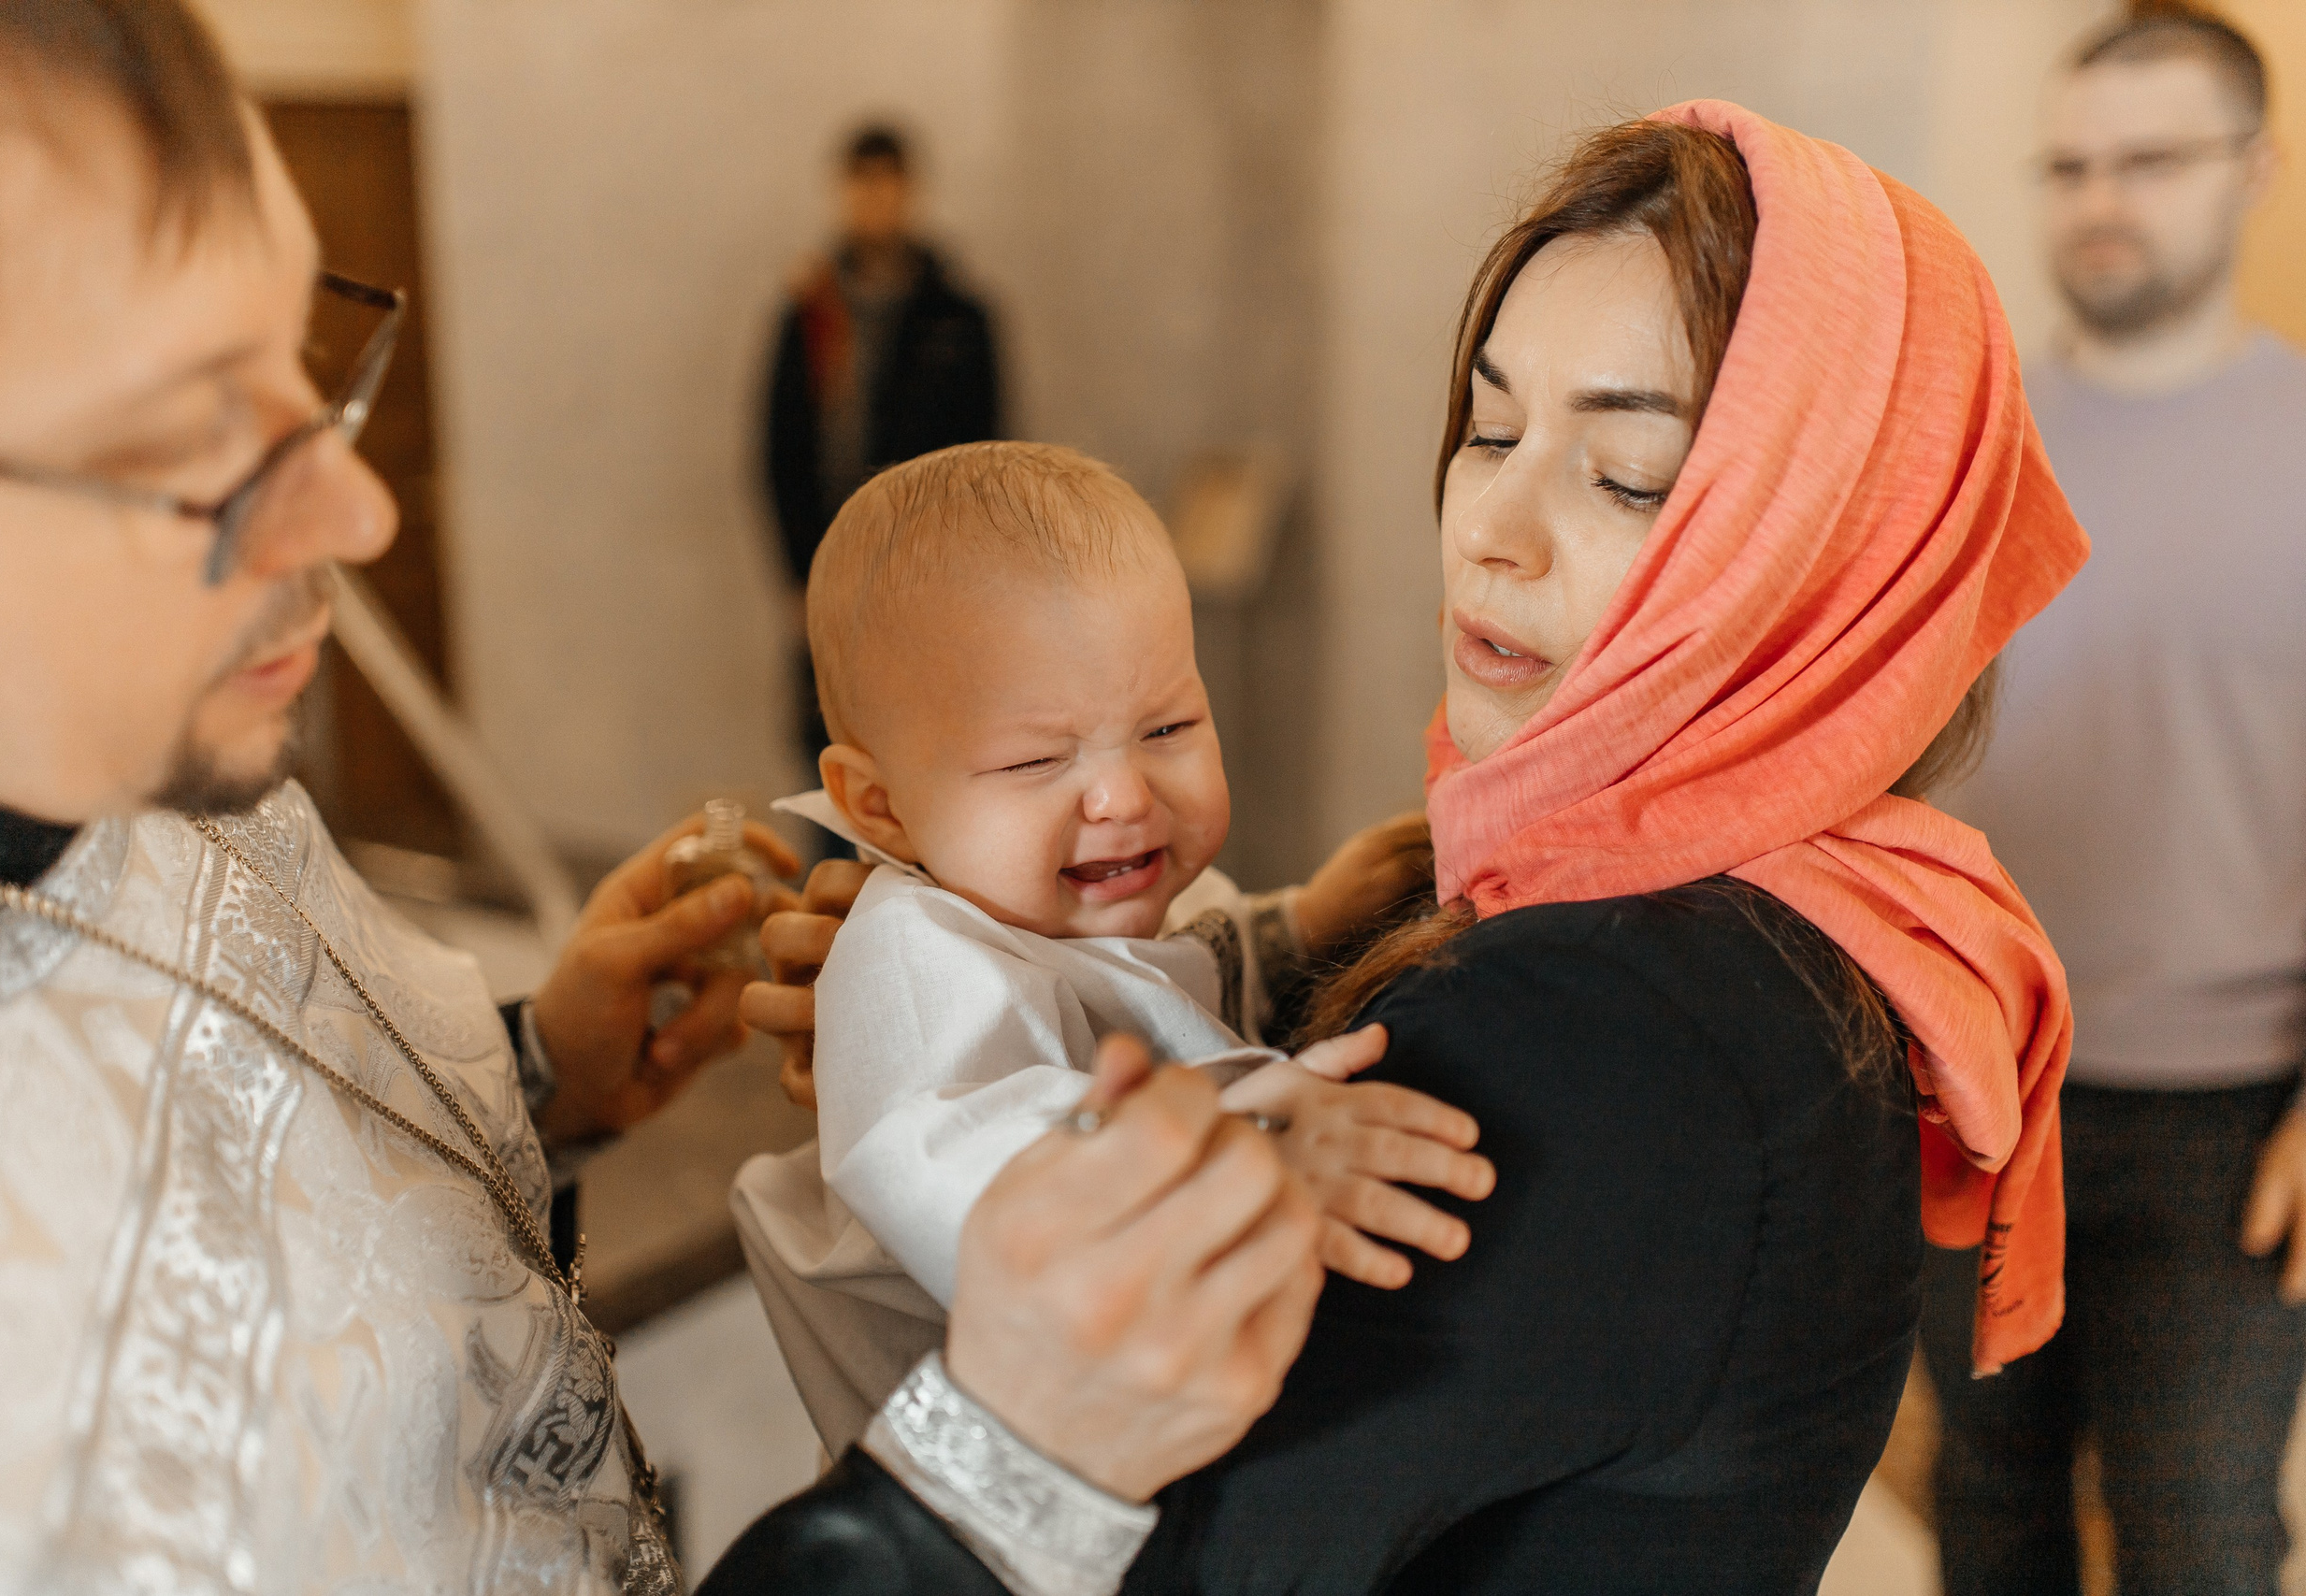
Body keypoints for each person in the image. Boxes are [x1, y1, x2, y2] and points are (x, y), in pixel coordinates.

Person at [0, 6, 1321, 1593]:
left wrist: (535, 1082)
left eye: (308, 361)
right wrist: (998, 1465)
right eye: (189, 428)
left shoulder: (156, 759)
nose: (362, 507)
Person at [758, 100, 2090, 1592]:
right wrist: (997, 986)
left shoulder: (1598, 1013)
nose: (1490, 529)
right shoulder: (1814, 920)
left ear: (1830, 548)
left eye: (1630, 476)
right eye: (1491, 426)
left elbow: (1163, 1544)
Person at [726, 441, 1491, 1453]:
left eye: (1168, 727)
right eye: (1038, 758)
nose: (1123, 796)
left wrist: (1304, 921)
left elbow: (1182, 978)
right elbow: (989, 1186)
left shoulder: (1094, 903)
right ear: (880, 806)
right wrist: (1249, 1154)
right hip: (989, 1513)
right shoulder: (912, 964)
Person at [1924, 7, 2306, 1591]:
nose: (2099, 198)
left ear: (2255, 169)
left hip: (2229, 1112)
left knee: (2203, 1540)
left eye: (2148, 159)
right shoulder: (1962, 448)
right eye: (2070, 163)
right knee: (1991, 1511)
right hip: (1970, 1087)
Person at [763, 123, 1003, 824]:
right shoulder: (811, 311)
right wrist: (796, 571)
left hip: (930, 570)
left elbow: (988, 457)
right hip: (830, 563)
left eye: (887, 184)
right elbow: (776, 449)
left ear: (910, 191)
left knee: (930, 739)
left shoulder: (959, 315)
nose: (875, 202)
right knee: (829, 745)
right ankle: (835, 911)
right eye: (860, 185)